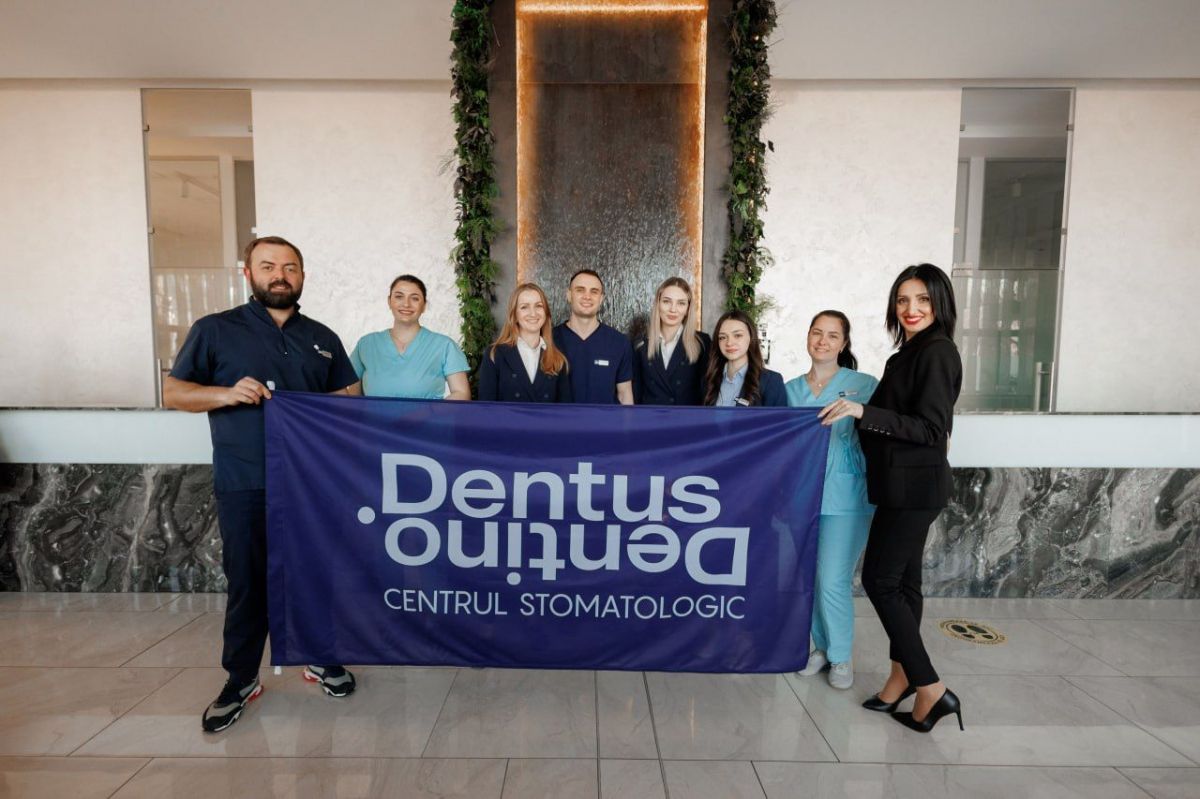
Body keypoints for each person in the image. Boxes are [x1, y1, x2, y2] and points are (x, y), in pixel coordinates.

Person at [163, 236, 360, 734]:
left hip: (311, 483)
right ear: (247, 274)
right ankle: (241, 679)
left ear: (302, 276)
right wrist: (226, 393)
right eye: (268, 266)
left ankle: (321, 658)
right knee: (248, 582)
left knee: (315, 575)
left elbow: (350, 397)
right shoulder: (215, 330)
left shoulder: (322, 337)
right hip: (245, 479)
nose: (280, 275)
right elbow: (174, 392)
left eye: (290, 267)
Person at [818, 263, 964, 733]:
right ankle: (901, 678)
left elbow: (930, 428)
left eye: (922, 299)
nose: (911, 308)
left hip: (914, 489)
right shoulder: (908, 353)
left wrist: (863, 411)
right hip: (902, 486)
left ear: (939, 303)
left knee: (880, 581)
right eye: (903, 300)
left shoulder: (937, 352)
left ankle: (930, 686)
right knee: (904, 585)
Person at [787, 311, 878, 690]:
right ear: (807, 337)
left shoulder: (863, 385)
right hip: (802, 496)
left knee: (832, 579)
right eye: (816, 333)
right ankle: (821, 648)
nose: (822, 341)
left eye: (832, 335)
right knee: (810, 577)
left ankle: (841, 656)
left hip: (846, 496)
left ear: (843, 343)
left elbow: (883, 428)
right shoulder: (790, 389)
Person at [346, 274, 470, 400]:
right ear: (389, 302)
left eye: (415, 298)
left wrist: (430, 410)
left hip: (427, 414)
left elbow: (461, 393)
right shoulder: (366, 345)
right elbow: (353, 399)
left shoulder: (444, 346)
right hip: (373, 415)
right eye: (399, 297)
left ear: (424, 305)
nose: (406, 304)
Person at [477, 282, 573, 402]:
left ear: (546, 312)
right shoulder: (494, 354)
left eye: (538, 306)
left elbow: (564, 410)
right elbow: (486, 408)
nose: (533, 313)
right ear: (514, 315)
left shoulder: (557, 359)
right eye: (524, 307)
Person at [552, 269, 634, 404]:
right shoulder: (550, 340)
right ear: (569, 295)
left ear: (601, 298)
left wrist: (628, 418)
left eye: (594, 292)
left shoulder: (619, 342)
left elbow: (625, 394)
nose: (587, 296)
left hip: (606, 419)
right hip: (560, 418)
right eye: (580, 290)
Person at [632, 277, 710, 405]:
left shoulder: (702, 342)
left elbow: (708, 392)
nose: (673, 309)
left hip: (688, 417)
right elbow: (636, 393)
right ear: (658, 304)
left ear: (688, 309)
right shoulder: (640, 344)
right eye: (667, 301)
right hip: (649, 417)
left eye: (681, 303)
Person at [702, 310, 787, 407]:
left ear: (751, 337)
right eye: (722, 337)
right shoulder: (708, 380)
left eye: (737, 335)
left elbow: (779, 417)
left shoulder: (771, 381)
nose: (729, 343)